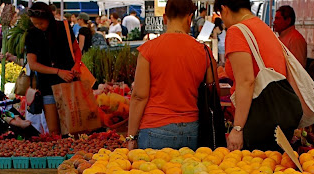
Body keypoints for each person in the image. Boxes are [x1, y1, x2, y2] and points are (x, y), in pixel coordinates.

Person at [127, 0, 216, 150]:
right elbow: (213, 90)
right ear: (189, 18)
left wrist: (131, 136)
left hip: (154, 128)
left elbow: (139, 97)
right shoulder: (203, 51)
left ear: (164, 18)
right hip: (191, 129)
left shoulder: (148, 50)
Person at [215, 0, 301, 151]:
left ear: (224, 9)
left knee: (253, 164)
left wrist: (238, 128)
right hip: (278, 116)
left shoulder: (237, 31)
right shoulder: (263, 28)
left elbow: (246, 81)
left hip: (256, 119)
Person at [25, 2, 82, 135]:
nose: (38, 26)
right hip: (47, 85)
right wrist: (58, 72)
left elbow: (76, 50)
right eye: (35, 23)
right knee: (54, 130)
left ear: (48, 18)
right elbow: (33, 64)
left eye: (41, 23)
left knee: (73, 128)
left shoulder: (63, 28)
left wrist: (76, 64)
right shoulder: (32, 34)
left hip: (69, 82)